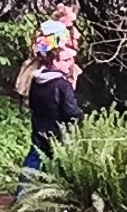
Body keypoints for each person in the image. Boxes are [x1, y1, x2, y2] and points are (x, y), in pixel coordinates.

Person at [19, 49, 81, 195]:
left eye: (71, 60)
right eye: (66, 60)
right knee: (61, 167)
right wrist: (81, 118)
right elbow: (71, 111)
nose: (71, 64)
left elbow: (32, 104)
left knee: (33, 161)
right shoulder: (62, 85)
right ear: (55, 62)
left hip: (39, 128)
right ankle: (56, 198)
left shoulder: (36, 81)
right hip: (59, 133)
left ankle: (21, 196)